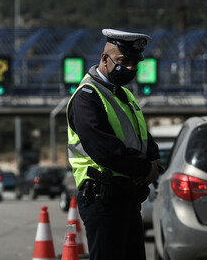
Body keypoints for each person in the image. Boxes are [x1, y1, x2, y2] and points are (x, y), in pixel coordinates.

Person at [66, 29, 161, 260]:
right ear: (104, 59)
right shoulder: (87, 96)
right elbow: (104, 149)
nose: (130, 68)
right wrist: (144, 168)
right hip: (103, 198)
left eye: (134, 63)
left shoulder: (125, 96)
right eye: (123, 61)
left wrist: (154, 161)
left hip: (128, 196)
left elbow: (142, 135)